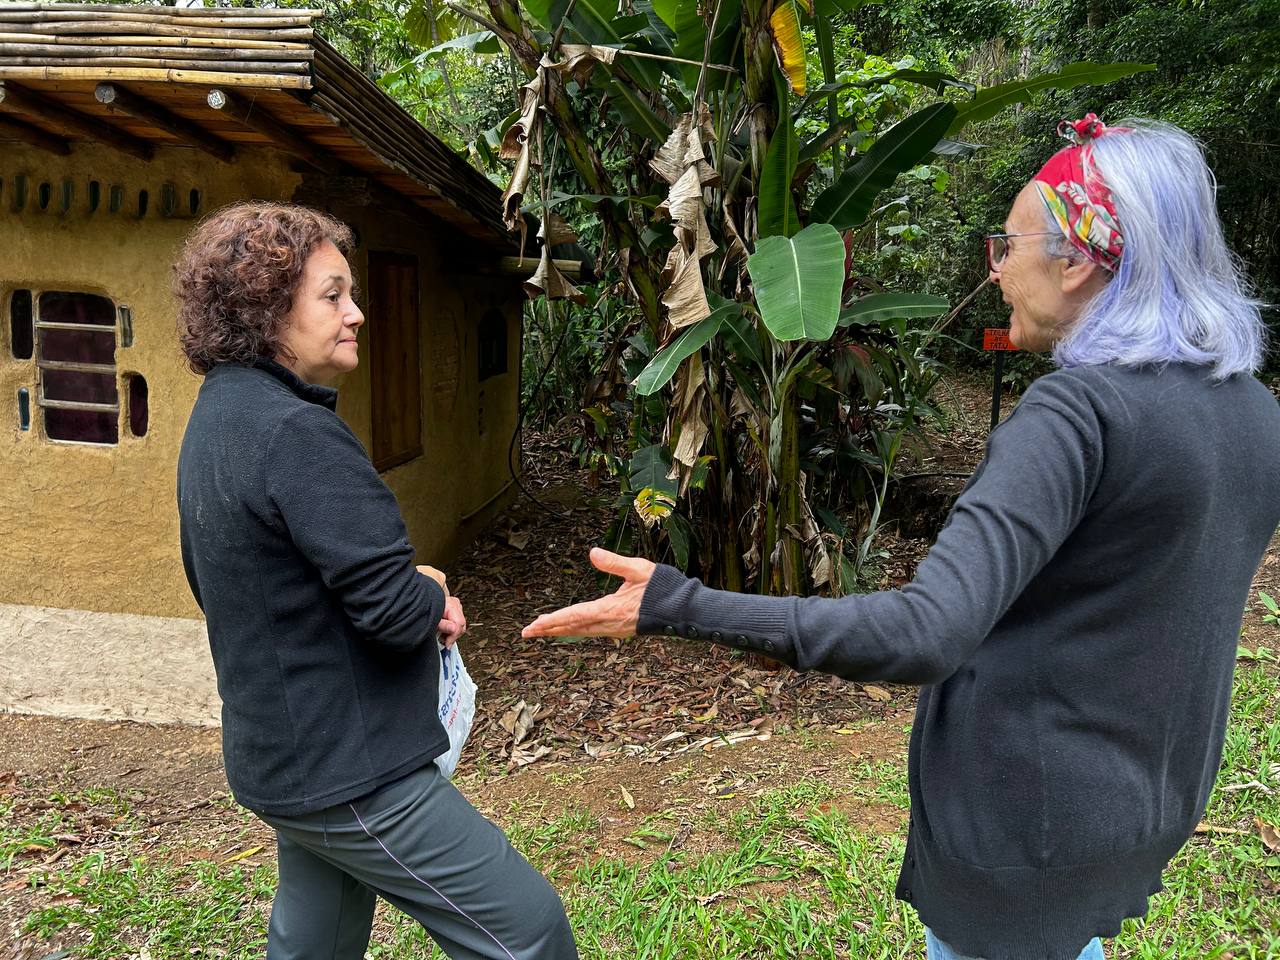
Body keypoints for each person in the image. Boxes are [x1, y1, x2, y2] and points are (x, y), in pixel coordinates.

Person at [523, 116, 1280, 960]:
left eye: (1009, 244)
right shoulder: (1253, 412)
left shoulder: (1077, 416)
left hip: (1021, 832)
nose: (996, 268)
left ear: (1075, 262)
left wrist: (676, 602)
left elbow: (925, 631)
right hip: (1146, 807)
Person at [174, 202, 577, 960]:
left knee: (316, 944)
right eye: (332, 296)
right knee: (527, 931)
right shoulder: (297, 434)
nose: (356, 313)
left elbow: (260, 579)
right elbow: (392, 612)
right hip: (350, 772)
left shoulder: (220, 417)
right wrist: (430, 592)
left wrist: (405, 582)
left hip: (280, 759)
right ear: (265, 309)